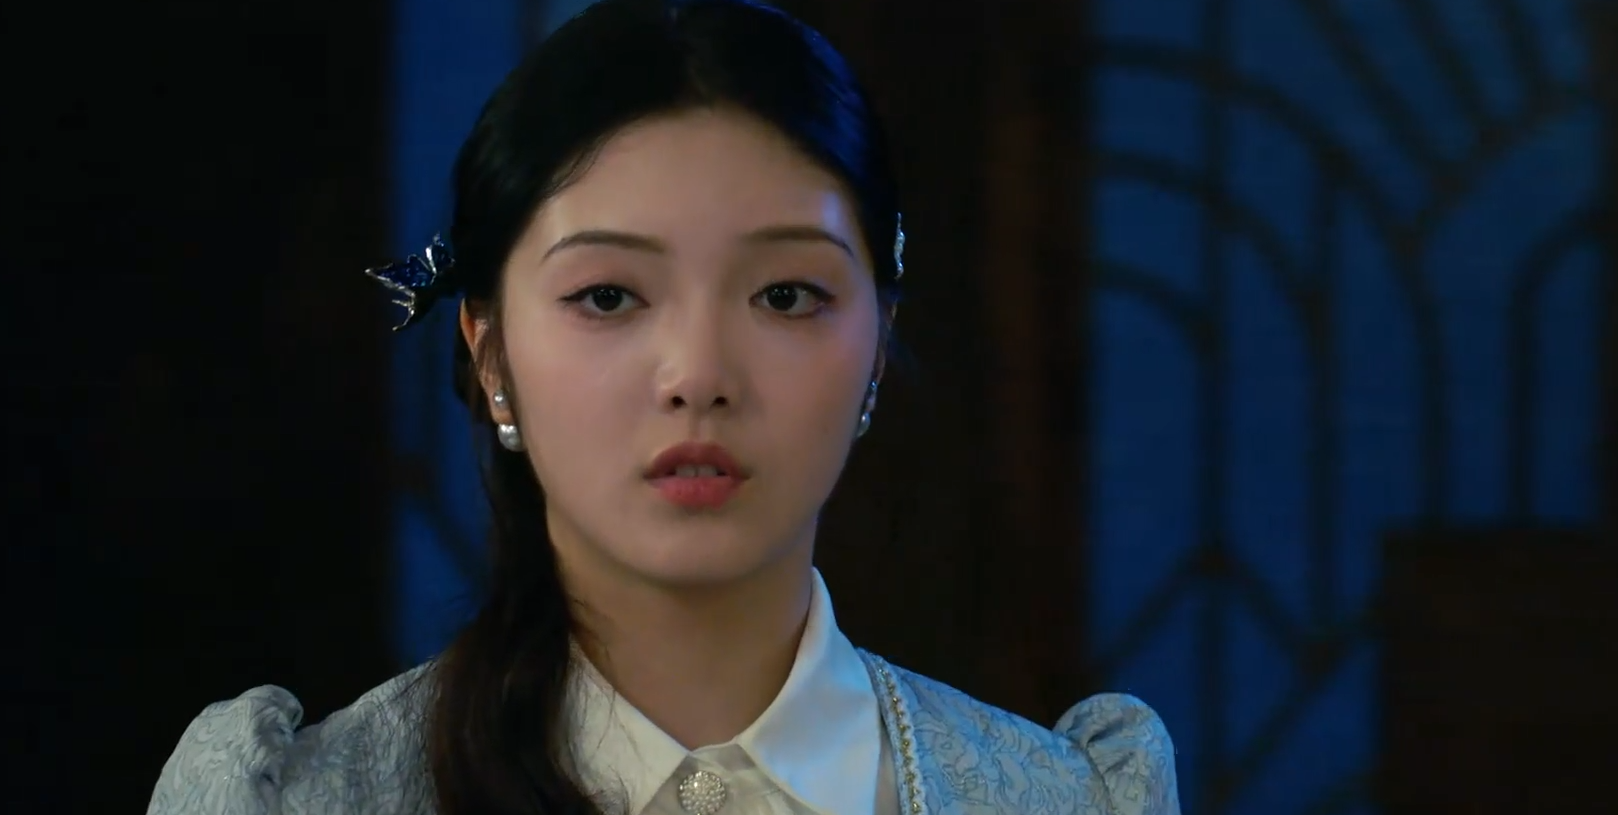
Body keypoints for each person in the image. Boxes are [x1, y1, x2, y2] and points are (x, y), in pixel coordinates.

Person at [146, 0, 1180, 813]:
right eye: (608, 296)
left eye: (786, 295)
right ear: (490, 351)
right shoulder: (301, 799)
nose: (697, 373)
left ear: (877, 343)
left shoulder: (1061, 798)